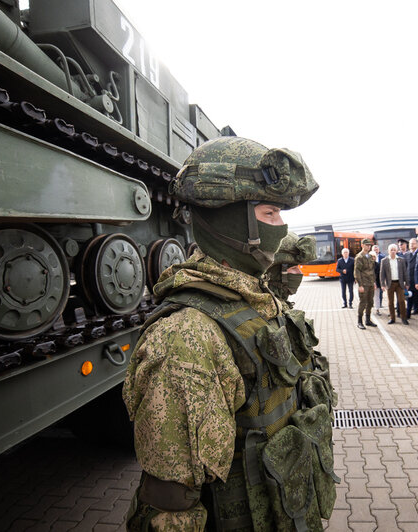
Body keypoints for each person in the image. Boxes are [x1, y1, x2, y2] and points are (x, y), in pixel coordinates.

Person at [123, 136, 337, 531]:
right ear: (231, 220)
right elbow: (173, 507)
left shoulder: (258, 300)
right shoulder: (186, 338)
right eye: (271, 213)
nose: (282, 227)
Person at [265, 232, 317, 306]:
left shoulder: (275, 303)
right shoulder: (264, 306)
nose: (300, 272)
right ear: (274, 271)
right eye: (294, 268)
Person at [380, 244, 409, 324]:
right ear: (388, 251)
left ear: (396, 251)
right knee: (390, 302)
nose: (393, 251)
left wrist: (407, 283)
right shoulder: (384, 260)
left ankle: (404, 318)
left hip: (399, 283)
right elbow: (382, 274)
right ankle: (392, 318)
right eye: (391, 250)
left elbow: (405, 272)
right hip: (390, 284)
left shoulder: (401, 260)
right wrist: (382, 284)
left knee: (401, 301)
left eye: (394, 250)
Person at [356, 238, 378, 329]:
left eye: (369, 245)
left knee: (370, 302)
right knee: (363, 302)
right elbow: (357, 272)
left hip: (370, 283)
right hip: (364, 284)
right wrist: (360, 285)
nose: (368, 247)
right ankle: (359, 321)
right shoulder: (359, 257)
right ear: (362, 245)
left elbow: (372, 271)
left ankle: (368, 320)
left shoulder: (369, 256)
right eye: (366, 245)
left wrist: (374, 282)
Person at [405, 237, 418, 317]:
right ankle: (408, 314)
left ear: (417, 244)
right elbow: (405, 266)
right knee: (410, 296)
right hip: (409, 279)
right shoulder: (407, 254)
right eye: (410, 243)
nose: (411, 245)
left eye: (413, 243)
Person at [372, 244, 385, 315]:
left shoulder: (378, 264)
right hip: (369, 283)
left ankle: (377, 309)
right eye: (372, 256)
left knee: (377, 296)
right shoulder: (366, 265)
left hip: (377, 282)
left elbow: (379, 273)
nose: (373, 258)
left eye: (374, 256)